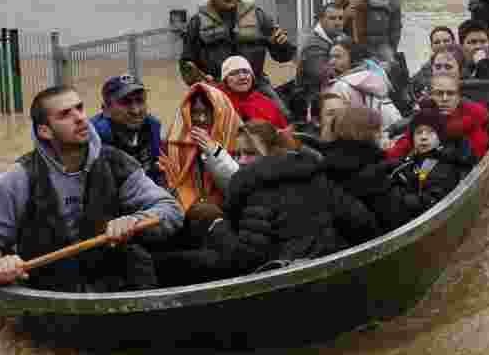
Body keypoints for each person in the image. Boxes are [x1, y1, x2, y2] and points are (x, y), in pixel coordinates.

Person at [0, 86, 183, 292]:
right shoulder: (21, 177)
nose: (80, 118)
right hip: (47, 283)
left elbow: (170, 208)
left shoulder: (116, 162)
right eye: (65, 114)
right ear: (45, 131)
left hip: (110, 276)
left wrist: (135, 221)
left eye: (80, 108)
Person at [223, 120, 378, 270]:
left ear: (271, 150)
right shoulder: (315, 176)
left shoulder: (254, 194)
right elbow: (363, 223)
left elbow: (248, 258)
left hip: (288, 285)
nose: (241, 161)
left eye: (249, 153)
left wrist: (216, 228)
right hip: (333, 270)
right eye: (237, 154)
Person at [179, 0, 295, 116]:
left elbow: (284, 56)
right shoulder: (197, 23)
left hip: (255, 85)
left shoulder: (258, 15)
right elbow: (186, 64)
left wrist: (281, 44)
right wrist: (202, 81)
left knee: (283, 117)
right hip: (216, 89)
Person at [375, 100, 477, 232]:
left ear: (440, 137)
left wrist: (397, 197)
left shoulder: (444, 165)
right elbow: (402, 166)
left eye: (430, 132)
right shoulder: (415, 157)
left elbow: (432, 201)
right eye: (419, 132)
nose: (424, 137)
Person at [159, 82, 243, 211]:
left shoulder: (239, 140)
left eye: (207, 112)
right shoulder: (173, 144)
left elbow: (240, 187)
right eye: (195, 112)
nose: (201, 119)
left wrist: (214, 152)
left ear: (221, 112)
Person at [384, 75, 489, 161]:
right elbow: (407, 140)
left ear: (458, 96)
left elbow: (479, 152)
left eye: (450, 93)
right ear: (432, 96)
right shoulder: (427, 116)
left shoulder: (473, 115)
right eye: (439, 94)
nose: (445, 98)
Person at [91, 74, 164, 185]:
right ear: (105, 109)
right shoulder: (95, 136)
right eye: (125, 102)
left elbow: (156, 171)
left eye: (140, 100)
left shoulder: (152, 126)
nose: (136, 111)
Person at [325, 41, 403, 129]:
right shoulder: (370, 77)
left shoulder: (342, 86)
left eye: (338, 57)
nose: (331, 62)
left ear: (352, 58)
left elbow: (342, 126)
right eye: (330, 57)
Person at [342, 0, 402, 64]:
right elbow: (333, 22)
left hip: (380, 47)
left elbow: (396, 26)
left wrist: (392, 47)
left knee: (389, 71)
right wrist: (346, 13)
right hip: (354, 46)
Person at [295, 2, 345, 118]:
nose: (338, 23)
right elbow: (323, 75)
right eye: (332, 18)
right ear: (321, 20)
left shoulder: (339, 38)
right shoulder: (314, 45)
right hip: (313, 101)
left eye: (341, 18)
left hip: (330, 94)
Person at [218, 55, 290, 130]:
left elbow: (283, 133)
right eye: (234, 73)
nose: (242, 77)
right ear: (225, 80)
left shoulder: (266, 103)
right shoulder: (219, 104)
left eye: (246, 72)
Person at [409, 26, 456, 100]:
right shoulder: (425, 70)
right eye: (437, 42)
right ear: (432, 46)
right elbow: (410, 88)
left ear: (454, 42)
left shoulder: (464, 65)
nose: (442, 45)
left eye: (446, 41)